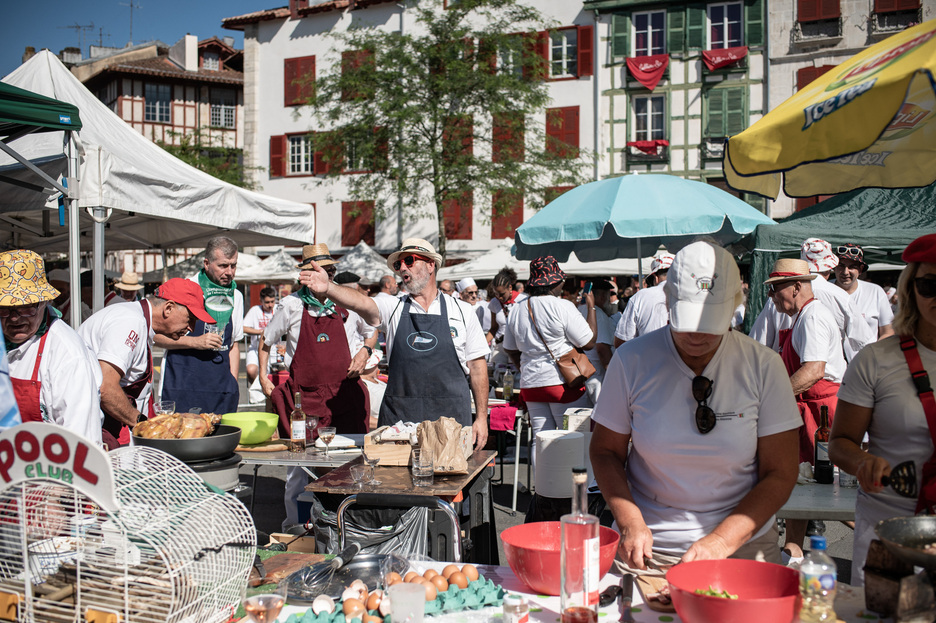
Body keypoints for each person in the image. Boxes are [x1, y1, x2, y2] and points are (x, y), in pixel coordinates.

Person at [591, 241, 800, 571]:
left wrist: (720, 541)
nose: (697, 336)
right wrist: (629, 520)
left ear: (734, 305)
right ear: (668, 299)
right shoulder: (632, 360)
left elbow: (781, 472)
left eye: (710, 323)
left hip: (742, 545)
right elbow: (605, 451)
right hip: (649, 548)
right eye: (687, 321)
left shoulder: (764, 365)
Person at [298, 238, 490, 449]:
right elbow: (361, 302)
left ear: (431, 264)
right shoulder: (393, 308)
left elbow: (478, 368)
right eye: (399, 265)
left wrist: (481, 418)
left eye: (409, 261)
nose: (403, 268)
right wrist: (329, 288)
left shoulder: (462, 311)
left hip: (451, 420)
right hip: (401, 422)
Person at [829, 233, 936, 586]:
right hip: (889, 533)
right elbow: (841, 441)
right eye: (929, 285)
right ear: (910, 290)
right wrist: (862, 462)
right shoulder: (875, 360)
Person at [260, 243, 372, 529]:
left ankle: (347, 524)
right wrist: (263, 377)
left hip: (343, 396)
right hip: (306, 399)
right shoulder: (291, 305)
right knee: (300, 469)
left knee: (349, 462)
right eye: (322, 270)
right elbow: (266, 340)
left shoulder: (345, 301)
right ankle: (296, 528)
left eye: (331, 270)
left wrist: (366, 352)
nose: (328, 275)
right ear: (307, 274)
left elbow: (373, 330)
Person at [764, 258, 846, 562]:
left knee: (833, 492)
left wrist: (772, 399)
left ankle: (875, 530)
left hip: (819, 411)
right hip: (807, 409)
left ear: (797, 286)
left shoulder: (812, 317)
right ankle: (794, 551)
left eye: (775, 289)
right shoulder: (801, 317)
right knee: (801, 484)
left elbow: (813, 371)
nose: (772, 297)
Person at [79, 278, 216, 449]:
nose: (192, 328)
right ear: (169, 308)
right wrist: (145, 424)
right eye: (190, 319)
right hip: (96, 429)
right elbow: (105, 386)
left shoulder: (138, 320)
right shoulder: (130, 322)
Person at [0, 250, 102, 444]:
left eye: (27, 307)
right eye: (4, 308)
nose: (14, 317)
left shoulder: (68, 354)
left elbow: (80, 441)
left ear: (45, 302)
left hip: (48, 468)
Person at [503, 256, 595, 470]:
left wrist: (522, 366)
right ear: (555, 282)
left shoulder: (517, 309)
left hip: (531, 383)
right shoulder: (562, 306)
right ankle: (572, 492)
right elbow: (589, 342)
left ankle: (544, 491)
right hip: (562, 383)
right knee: (572, 438)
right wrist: (590, 308)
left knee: (540, 438)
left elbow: (509, 346)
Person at [157, 236, 243, 414]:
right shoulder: (183, 288)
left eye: (233, 265)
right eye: (223, 265)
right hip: (182, 384)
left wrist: (233, 382)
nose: (229, 272)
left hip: (221, 388)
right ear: (206, 263)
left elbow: (234, 344)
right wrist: (195, 342)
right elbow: (156, 337)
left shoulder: (236, 295)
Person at [751, 238, 874, 362]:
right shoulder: (841, 297)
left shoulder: (778, 296)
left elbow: (758, 344)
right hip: (826, 374)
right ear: (829, 268)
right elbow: (866, 343)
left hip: (783, 373)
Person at [834, 243, 895, 340]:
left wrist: (874, 353)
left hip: (869, 354)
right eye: (841, 266)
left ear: (861, 269)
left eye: (852, 267)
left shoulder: (875, 292)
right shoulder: (823, 290)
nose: (845, 272)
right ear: (834, 266)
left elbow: (888, 332)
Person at [613, 253, 674, 347]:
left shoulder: (640, 297)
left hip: (649, 357)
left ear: (656, 278)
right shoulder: (690, 294)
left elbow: (621, 341)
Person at [579, 278, 616, 406]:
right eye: (607, 296)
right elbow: (602, 349)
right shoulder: (599, 315)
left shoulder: (579, 309)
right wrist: (614, 374)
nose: (609, 300)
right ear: (599, 296)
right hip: (596, 375)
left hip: (582, 372)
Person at [488, 267, 526, 366]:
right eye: (496, 294)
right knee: (498, 375)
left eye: (502, 294)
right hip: (500, 347)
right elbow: (494, 328)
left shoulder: (523, 300)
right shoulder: (494, 302)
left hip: (518, 349)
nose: (499, 297)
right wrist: (481, 345)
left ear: (510, 287)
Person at [243, 286, 277, 386]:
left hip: (275, 350)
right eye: (267, 302)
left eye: (272, 301)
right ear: (261, 301)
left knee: (275, 377)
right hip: (256, 348)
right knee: (251, 370)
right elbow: (243, 327)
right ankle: (256, 392)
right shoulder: (255, 310)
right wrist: (260, 332)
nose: (270, 305)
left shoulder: (279, 309)